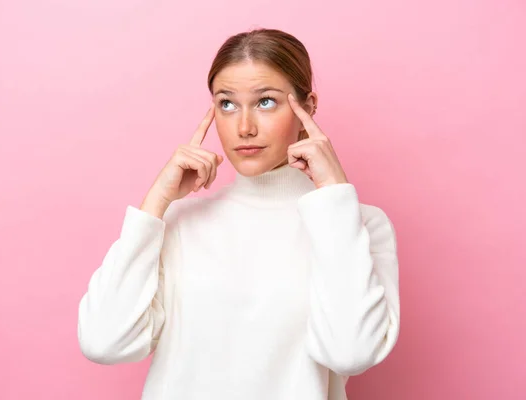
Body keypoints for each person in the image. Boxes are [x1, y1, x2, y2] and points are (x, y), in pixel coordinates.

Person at [77, 28, 400, 400]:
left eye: (265, 102)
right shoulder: (180, 222)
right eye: (227, 104)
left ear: (308, 107)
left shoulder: (357, 225)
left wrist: (334, 198)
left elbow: (350, 352)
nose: (244, 128)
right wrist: (156, 204)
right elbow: (104, 342)